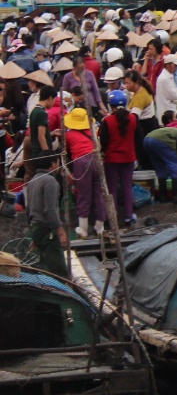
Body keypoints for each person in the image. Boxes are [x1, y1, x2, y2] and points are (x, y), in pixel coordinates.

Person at [23, 154, 68, 278]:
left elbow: (28, 210)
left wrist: (34, 234)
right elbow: (50, 210)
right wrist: (60, 231)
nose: (58, 166)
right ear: (52, 164)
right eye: (58, 163)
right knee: (59, 271)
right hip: (46, 230)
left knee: (45, 267)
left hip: (36, 227)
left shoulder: (32, 180)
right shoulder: (50, 181)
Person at [98, 91, 139, 227]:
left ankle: (112, 217)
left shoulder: (107, 121)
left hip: (112, 159)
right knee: (127, 187)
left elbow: (103, 141)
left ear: (111, 105)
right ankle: (128, 216)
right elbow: (138, 137)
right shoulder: (133, 118)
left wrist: (102, 152)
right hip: (129, 157)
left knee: (112, 189)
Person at [64, 107, 106, 238]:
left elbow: (66, 153)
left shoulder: (69, 135)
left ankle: (83, 229)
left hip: (81, 162)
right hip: (97, 160)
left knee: (83, 194)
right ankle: (100, 227)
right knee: (99, 193)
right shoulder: (93, 131)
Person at [142, 120, 177, 204]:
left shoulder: (173, 130)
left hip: (147, 140)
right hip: (159, 141)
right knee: (175, 166)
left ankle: (163, 197)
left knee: (160, 168)